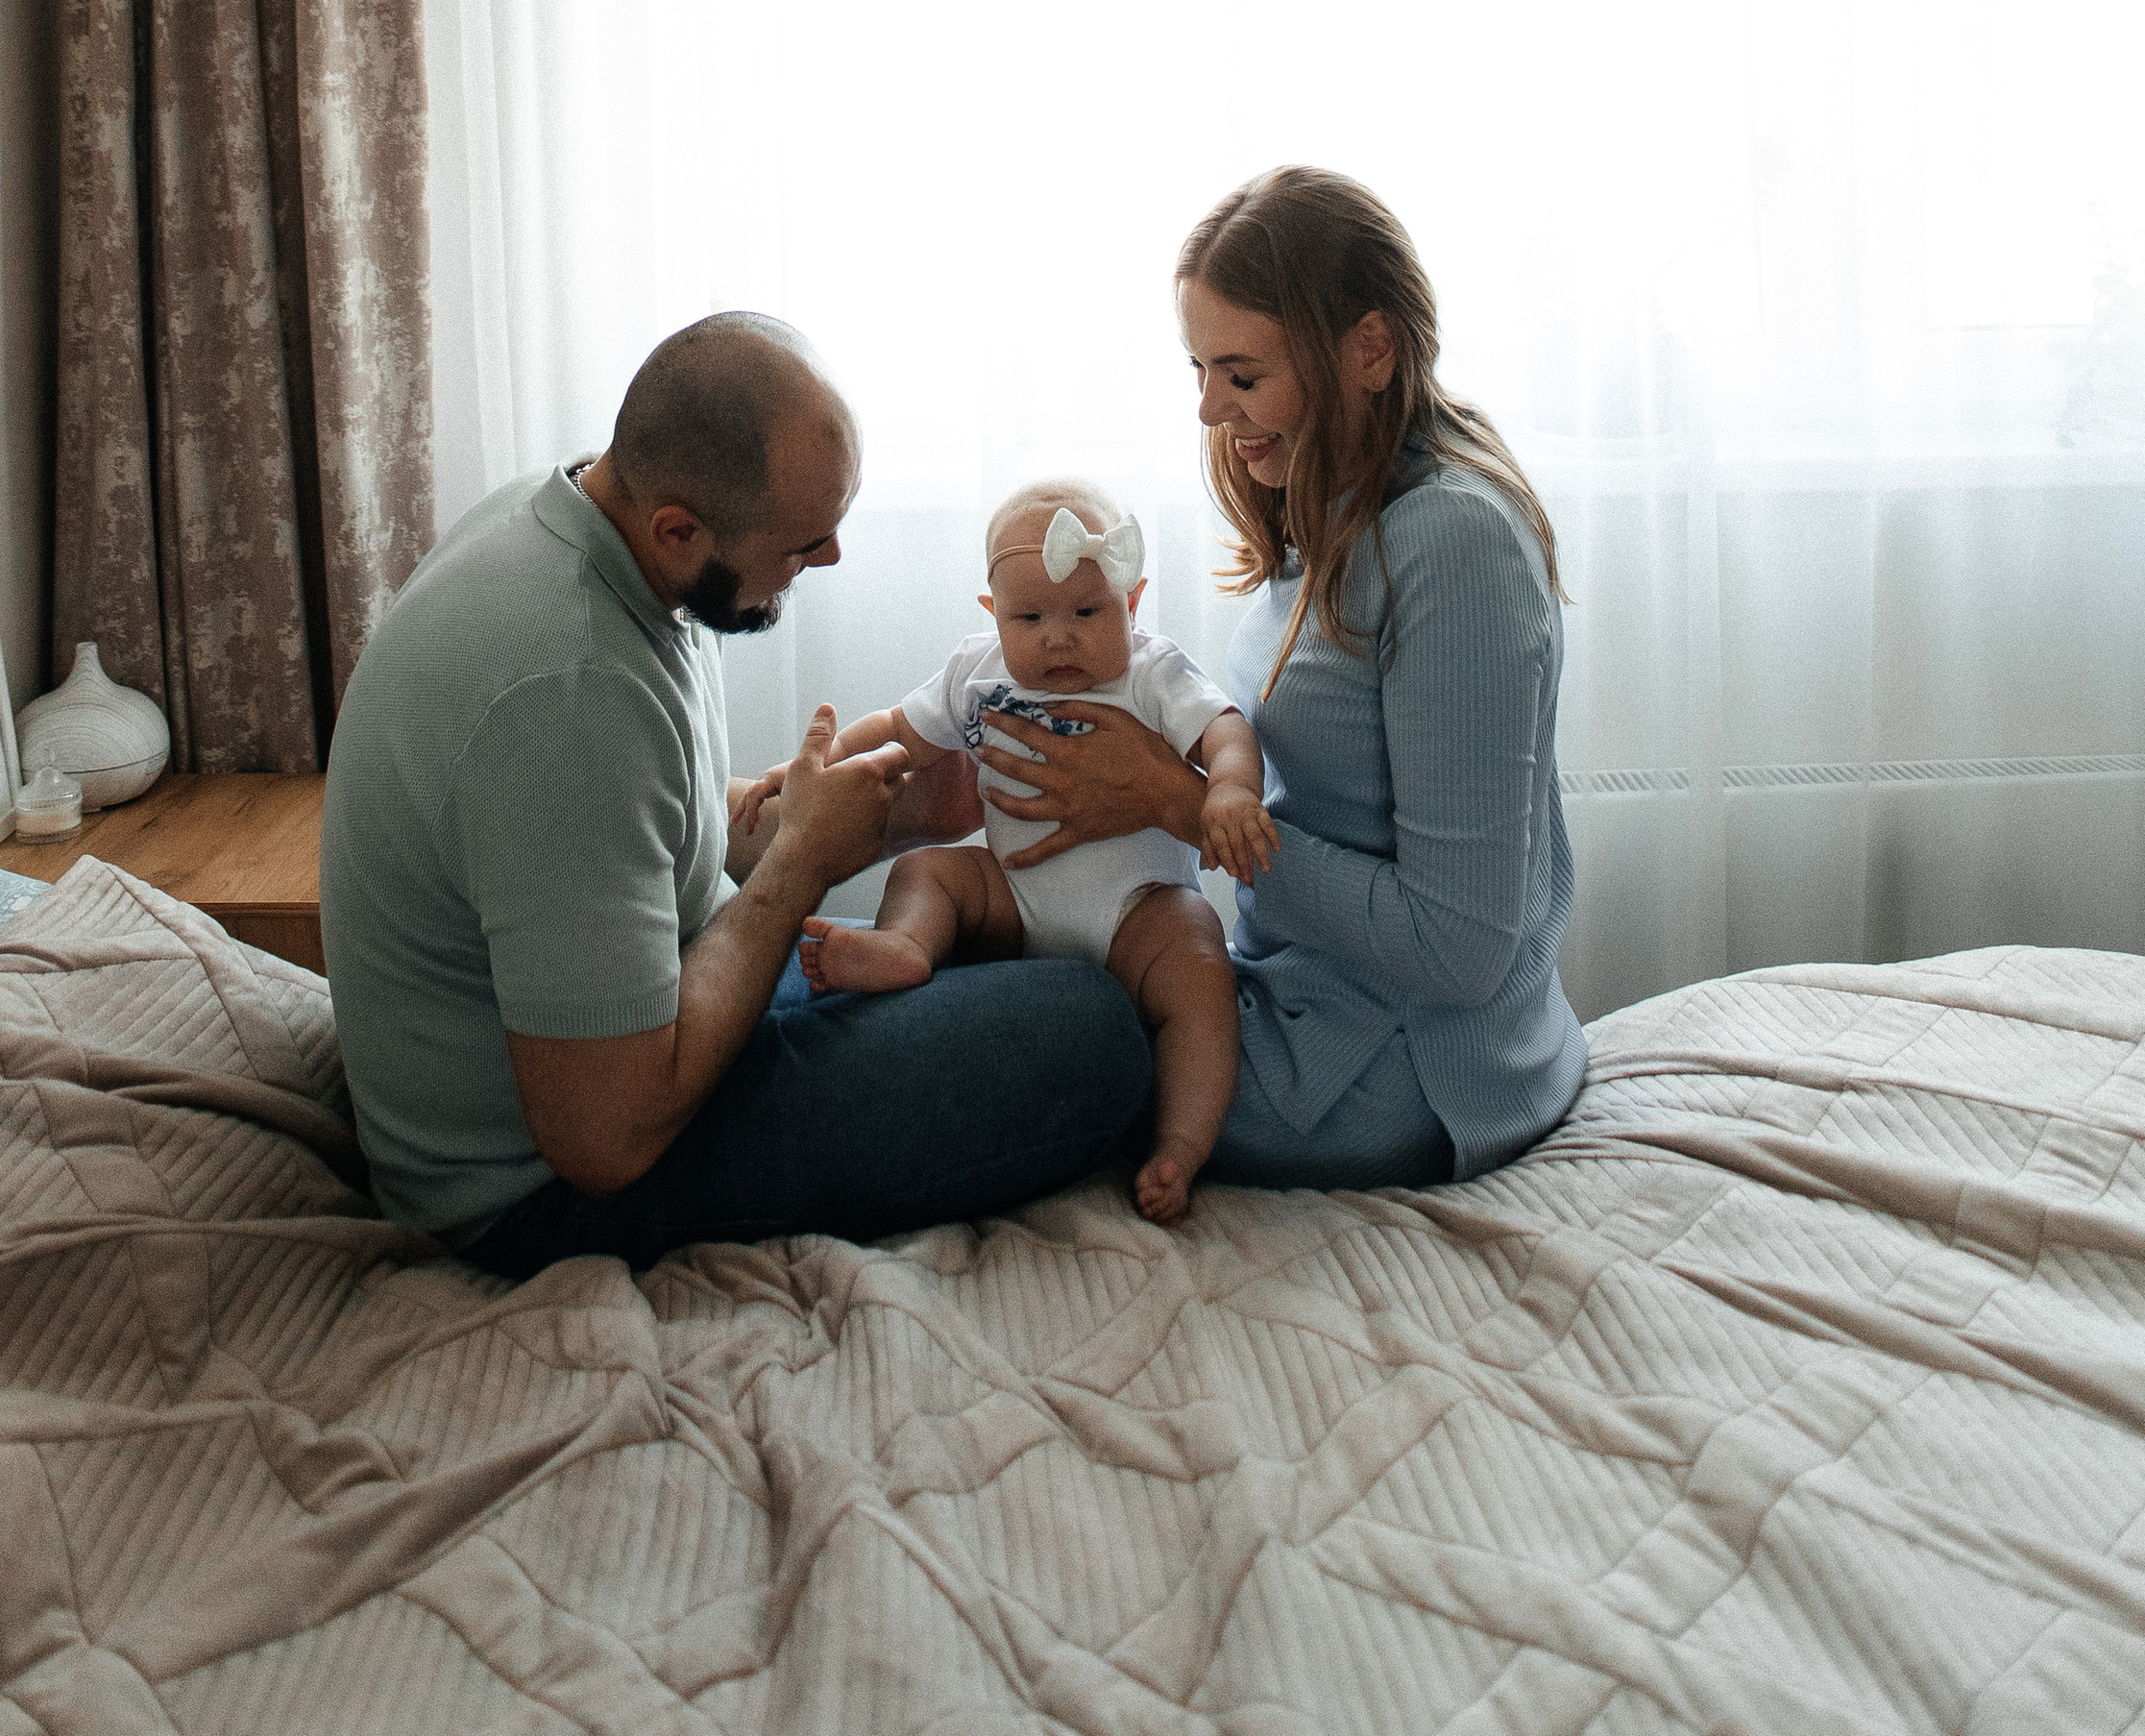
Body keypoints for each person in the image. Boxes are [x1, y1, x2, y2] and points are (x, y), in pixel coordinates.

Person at [319, 311, 1153, 1277]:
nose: (830, 559)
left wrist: (895, 813)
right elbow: (605, 1141)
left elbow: (624, 833)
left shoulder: (572, 526)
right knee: (1096, 1034)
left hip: (647, 1011)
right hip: (539, 1187)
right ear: (679, 528)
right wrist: (799, 861)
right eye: (804, 544)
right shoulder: (560, 692)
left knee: (981, 943)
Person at [984, 171, 1586, 1190]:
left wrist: (1179, 806)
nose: (1211, 408)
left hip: (1390, 1075)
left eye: (1240, 374)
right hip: (1300, 1004)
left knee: (987, 1036)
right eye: (1199, 369)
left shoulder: (1451, 542)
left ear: (1368, 349)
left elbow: (1460, 948)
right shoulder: (1340, 502)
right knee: (961, 955)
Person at [799, 477, 1277, 1223]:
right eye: (1030, 617)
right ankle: (904, 946)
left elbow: (1223, 729)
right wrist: (819, 767)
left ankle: (1182, 1143)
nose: (1059, 636)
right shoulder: (975, 672)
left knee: (1198, 949)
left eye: (1089, 612)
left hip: (1134, 915)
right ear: (994, 615)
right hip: (1013, 899)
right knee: (931, 869)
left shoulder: (1150, 671)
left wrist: (1230, 792)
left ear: (1134, 601)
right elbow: (902, 729)